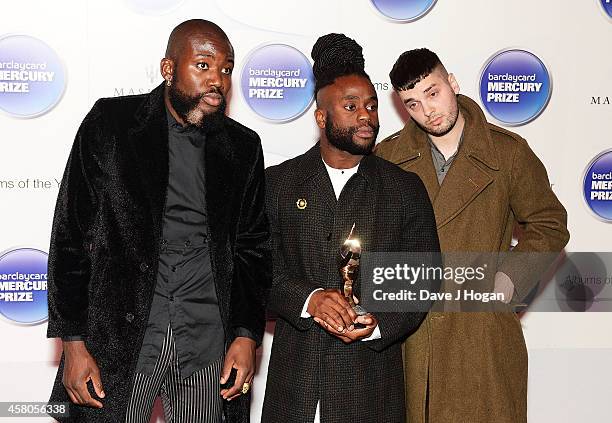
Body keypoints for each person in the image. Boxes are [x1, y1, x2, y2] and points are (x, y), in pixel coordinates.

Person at [46, 19, 270, 423]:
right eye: (203, 65)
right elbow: (71, 236)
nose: (217, 80)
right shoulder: (111, 124)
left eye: (226, 69)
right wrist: (73, 342)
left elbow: (252, 251)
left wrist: (246, 334)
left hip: (206, 344)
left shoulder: (243, 147)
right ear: (168, 69)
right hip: (121, 339)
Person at [375, 48, 570, 423]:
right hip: (413, 341)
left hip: (481, 337)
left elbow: (548, 223)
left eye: (433, 93)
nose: (428, 110)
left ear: (452, 83)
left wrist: (509, 281)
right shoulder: (388, 158)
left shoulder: (507, 152)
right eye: (413, 103)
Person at [261, 34, 440, 423]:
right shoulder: (278, 184)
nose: (366, 116)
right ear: (322, 118)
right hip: (295, 389)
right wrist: (309, 299)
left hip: (370, 388)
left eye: (372, 106)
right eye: (351, 106)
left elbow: (423, 279)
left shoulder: (404, 189)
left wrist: (378, 321)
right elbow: (255, 270)